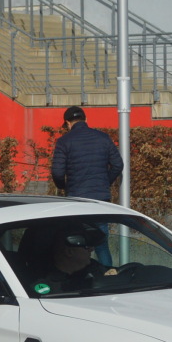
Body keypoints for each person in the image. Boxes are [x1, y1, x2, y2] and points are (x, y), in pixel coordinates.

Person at [50, 106, 122, 265]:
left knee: (77, 244)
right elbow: (118, 165)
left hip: (76, 199)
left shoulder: (64, 141)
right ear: (86, 120)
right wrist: (105, 182)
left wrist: (64, 186)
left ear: (68, 123)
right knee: (102, 244)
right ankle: (108, 276)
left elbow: (57, 172)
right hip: (100, 199)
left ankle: (81, 277)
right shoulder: (103, 138)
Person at [31, 223, 118, 294]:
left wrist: (113, 276)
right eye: (86, 246)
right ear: (69, 252)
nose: (92, 249)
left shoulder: (93, 267)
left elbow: (113, 273)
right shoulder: (44, 284)